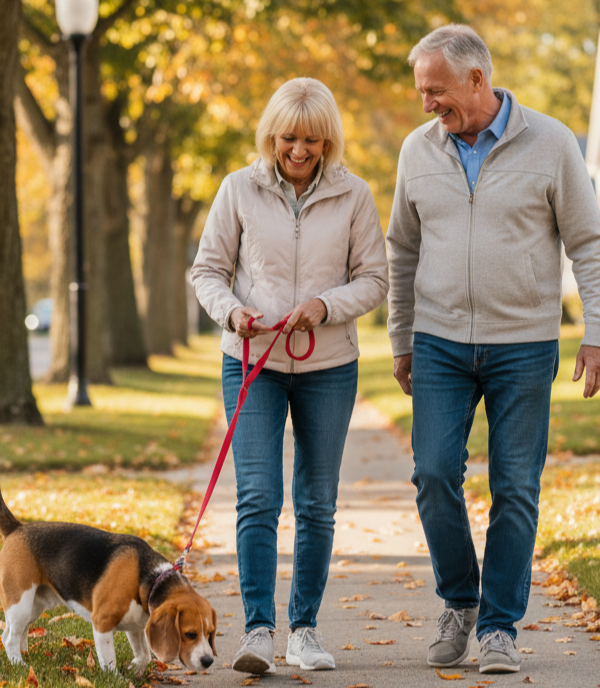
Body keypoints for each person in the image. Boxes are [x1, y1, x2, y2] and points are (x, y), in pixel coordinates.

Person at [386, 25, 600, 675]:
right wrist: (402, 338)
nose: (427, 103)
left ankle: (499, 629)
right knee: (433, 475)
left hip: (525, 344)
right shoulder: (416, 151)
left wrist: (598, 332)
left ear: (477, 80)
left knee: (516, 487)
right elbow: (401, 249)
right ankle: (460, 601)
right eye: (421, 92)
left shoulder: (550, 143)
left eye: (436, 90)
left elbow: (589, 244)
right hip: (439, 341)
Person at [191, 77, 389, 675]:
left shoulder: (354, 195)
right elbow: (207, 271)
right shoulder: (238, 190)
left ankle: (304, 628)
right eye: (288, 138)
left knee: (316, 501)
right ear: (271, 136)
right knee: (257, 497)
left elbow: (374, 279)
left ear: (328, 140)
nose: (299, 151)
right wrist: (233, 313)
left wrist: (326, 306)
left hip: (328, 365)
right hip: (252, 360)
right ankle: (258, 630)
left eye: (311, 139)